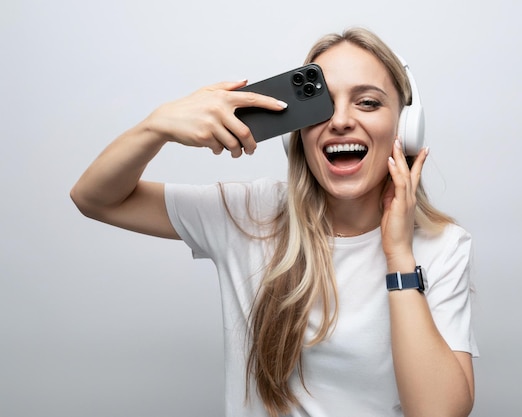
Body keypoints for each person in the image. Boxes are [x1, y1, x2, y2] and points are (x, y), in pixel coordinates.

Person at [71, 27, 478, 417]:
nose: (340, 121)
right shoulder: (250, 214)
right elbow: (95, 198)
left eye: (367, 102)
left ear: (405, 129)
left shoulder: (442, 246)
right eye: (322, 104)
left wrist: (399, 254)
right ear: (296, 134)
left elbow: (437, 412)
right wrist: (155, 127)